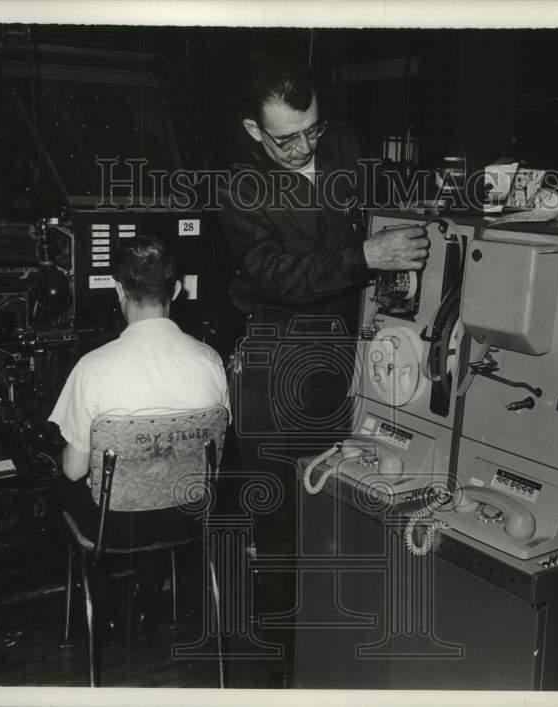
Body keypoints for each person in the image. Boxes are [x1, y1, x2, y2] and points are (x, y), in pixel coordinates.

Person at [217, 55, 428, 669]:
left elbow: (391, 204)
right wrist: (367, 254)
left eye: (313, 129)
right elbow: (278, 275)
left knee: (345, 507)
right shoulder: (240, 188)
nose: (305, 145)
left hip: (349, 353)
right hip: (276, 364)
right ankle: (287, 664)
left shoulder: (345, 145)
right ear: (255, 131)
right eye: (287, 137)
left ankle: (339, 655)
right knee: (283, 527)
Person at [48, 237, 229, 634]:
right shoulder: (211, 362)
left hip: (112, 526)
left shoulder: (92, 369)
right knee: (160, 477)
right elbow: (213, 460)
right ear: (176, 290)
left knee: (62, 478)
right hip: (187, 517)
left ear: (118, 290)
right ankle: (148, 597)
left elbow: (76, 471)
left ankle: (105, 607)